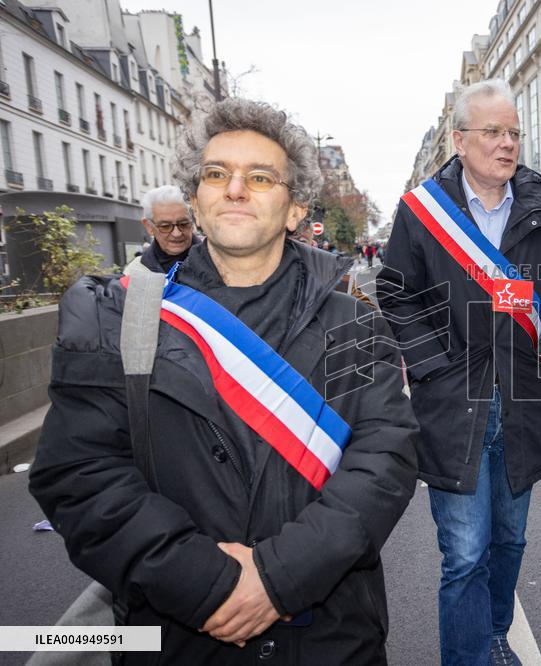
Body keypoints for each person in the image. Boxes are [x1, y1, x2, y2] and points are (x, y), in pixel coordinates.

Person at [29, 98, 420, 664]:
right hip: (178, 636)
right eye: (217, 174)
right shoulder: (117, 317)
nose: (235, 189)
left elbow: (385, 458)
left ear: (294, 209)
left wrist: (278, 578)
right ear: (195, 198)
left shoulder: (354, 323)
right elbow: (79, 472)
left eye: (260, 177)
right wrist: (207, 584)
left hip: (331, 636)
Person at [377, 79, 541, 666]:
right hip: (452, 404)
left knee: (509, 540)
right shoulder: (422, 210)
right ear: (460, 140)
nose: (507, 143)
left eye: (513, 132)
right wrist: (432, 366)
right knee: (464, 554)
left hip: (524, 399)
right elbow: (396, 292)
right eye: (493, 132)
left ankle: (494, 636)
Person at [130, 185, 200, 274]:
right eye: (165, 226)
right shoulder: (135, 272)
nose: (176, 233)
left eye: (183, 224)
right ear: (149, 226)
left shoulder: (215, 262)